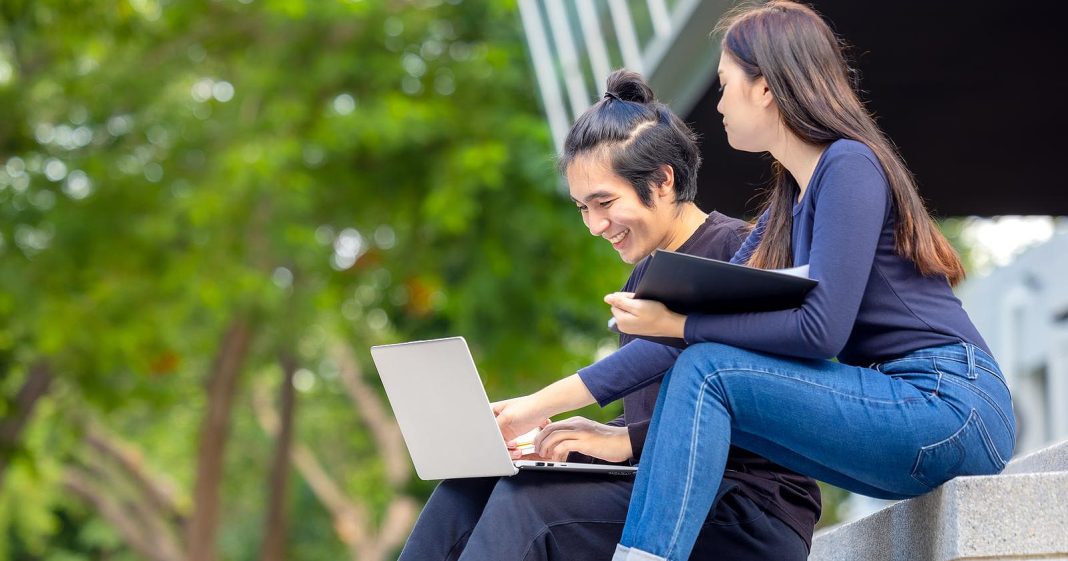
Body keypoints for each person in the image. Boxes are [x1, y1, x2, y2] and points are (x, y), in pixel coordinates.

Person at [492, 2, 1018, 561]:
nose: (717, 104)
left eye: (725, 85)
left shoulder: (849, 165)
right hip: (903, 413)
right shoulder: (787, 203)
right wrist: (531, 406)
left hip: (950, 405)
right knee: (701, 359)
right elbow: (670, 344)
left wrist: (681, 323)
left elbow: (821, 332)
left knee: (707, 365)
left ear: (765, 86)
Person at [396, 69, 821, 561]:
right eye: (582, 208)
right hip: (660, 486)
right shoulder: (642, 280)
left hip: (746, 506)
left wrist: (610, 436)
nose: (595, 225)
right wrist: (563, 442)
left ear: (663, 180)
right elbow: (655, 410)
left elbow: (753, 409)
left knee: (530, 507)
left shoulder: (738, 251)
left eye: (604, 202)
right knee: (468, 486)